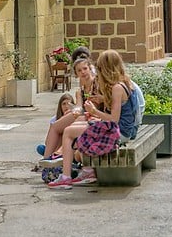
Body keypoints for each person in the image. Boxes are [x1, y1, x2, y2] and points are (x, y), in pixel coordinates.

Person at [48, 49, 139, 189]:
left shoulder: (116, 87)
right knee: (81, 125)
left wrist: (94, 111)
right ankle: (87, 171)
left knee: (68, 132)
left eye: (100, 68)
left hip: (119, 133)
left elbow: (114, 119)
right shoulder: (126, 83)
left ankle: (66, 177)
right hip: (124, 129)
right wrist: (102, 101)